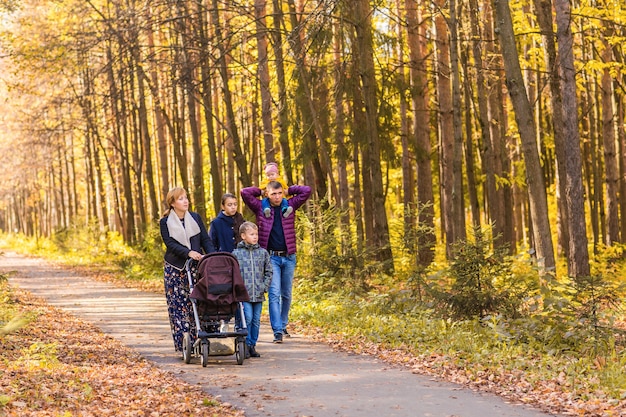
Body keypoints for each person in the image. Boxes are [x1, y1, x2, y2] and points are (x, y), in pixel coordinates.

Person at [241, 180, 311, 343]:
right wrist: (261, 190)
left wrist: (289, 190)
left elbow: (306, 190)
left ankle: (283, 323)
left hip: (289, 256)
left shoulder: (290, 205)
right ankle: (277, 331)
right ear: (268, 194)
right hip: (271, 256)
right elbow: (245, 192)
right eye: (274, 194)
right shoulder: (260, 207)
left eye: (280, 193)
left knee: (286, 294)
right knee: (274, 294)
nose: (277, 197)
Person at [159, 187, 215, 354]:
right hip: (176, 268)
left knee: (200, 303)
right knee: (179, 306)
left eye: (186, 198)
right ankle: (185, 342)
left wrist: (213, 256)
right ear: (173, 203)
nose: (185, 201)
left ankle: (203, 339)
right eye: (181, 198)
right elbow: (170, 244)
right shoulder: (165, 222)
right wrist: (188, 252)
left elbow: (205, 239)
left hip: (197, 268)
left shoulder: (195, 218)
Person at [231, 221, 272, 358]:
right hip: (244, 295)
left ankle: (252, 345)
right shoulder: (236, 254)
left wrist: (264, 286)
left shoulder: (263, 253)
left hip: (258, 294)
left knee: (255, 320)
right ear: (243, 236)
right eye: (252, 234)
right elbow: (232, 274)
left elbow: (269, 271)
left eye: (256, 234)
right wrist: (237, 289)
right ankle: (244, 344)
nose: (255, 237)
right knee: (246, 318)